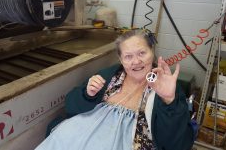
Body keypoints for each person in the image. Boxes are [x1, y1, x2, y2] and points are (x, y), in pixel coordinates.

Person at [35, 29, 194, 150]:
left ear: (152, 52)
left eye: (142, 53)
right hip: (78, 137)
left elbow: (177, 144)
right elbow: (70, 106)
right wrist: (87, 94)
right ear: (121, 59)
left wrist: (169, 101)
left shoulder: (167, 88)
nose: (136, 61)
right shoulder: (109, 75)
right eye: (128, 56)